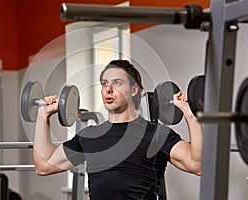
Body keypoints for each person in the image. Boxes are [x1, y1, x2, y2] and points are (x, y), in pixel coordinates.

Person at [33, 59, 203, 200]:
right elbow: (44, 165)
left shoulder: (156, 134)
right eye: (104, 83)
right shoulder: (90, 136)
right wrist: (43, 116)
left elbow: (198, 165)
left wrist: (190, 114)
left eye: (117, 83)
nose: (108, 89)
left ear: (134, 89)